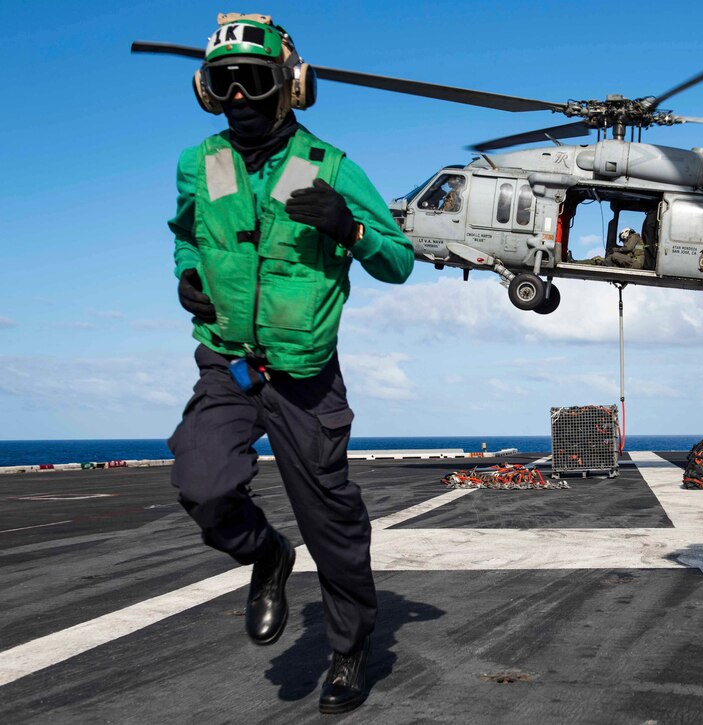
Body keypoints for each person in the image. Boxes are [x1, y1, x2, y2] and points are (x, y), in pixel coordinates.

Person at [167, 14, 414, 714]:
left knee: (333, 524)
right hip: (227, 364)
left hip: (305, 376)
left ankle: (348, 648)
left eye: (254, 80)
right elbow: (186, 235)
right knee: (203, 482)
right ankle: (266, 554)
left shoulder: (330, 167)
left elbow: (398, 260)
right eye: (223, 83)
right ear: (206, 91)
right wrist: (187, 273)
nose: (239, 97)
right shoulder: (201, 163)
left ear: (290, 86)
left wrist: (352, 226)